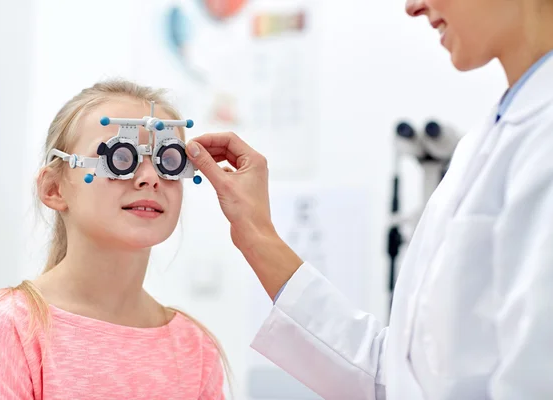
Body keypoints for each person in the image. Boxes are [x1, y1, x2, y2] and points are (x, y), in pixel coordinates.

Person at [183, 0, 553, 398]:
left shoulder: (538, 139)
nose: (412, 6)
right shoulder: (487, 141)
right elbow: (394, 376)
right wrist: (255, 233)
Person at [0, 79, 230, 399]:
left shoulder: (192, 347)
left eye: (168, 161)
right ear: (54, 188)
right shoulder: (12, 325)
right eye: (121, 158)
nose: (151, 179)